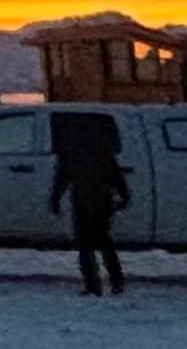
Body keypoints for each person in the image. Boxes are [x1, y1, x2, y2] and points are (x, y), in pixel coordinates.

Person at [47, 113, 131, 296]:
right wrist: (124, 196)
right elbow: (116, 176)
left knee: (85, 244)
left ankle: (93, 285)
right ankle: (116, 281)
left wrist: (55, 198)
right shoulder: (103, 151)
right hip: (103, 198)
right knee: (103, 240)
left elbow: (62, 178)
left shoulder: (70, 152)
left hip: (82, 198)